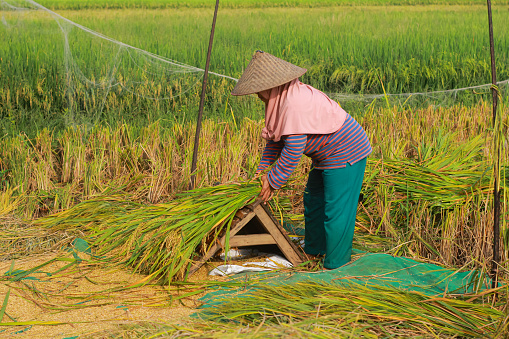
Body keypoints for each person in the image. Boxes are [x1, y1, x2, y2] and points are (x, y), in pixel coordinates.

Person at [231, 50, 372, 269]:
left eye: (259, 91)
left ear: (270, 86)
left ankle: (335, 266)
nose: (257, 96)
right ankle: (314, 251)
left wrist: (272, 180)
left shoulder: (294, 103)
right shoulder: (281, 100)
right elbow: (276, 140)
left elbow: (293, 150)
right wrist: (262, 171)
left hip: (346, 152)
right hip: (325, 157)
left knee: (336, 210)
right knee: (313, 200)